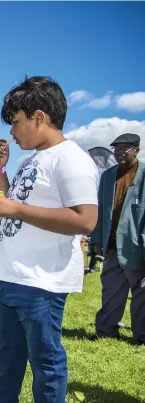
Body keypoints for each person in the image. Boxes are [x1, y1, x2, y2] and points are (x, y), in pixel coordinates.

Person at [0, 76, 98, 403]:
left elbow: (85, 219)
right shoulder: (33, 159)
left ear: (39, 116)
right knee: (8, 353)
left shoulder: (71, 159)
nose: (11, 129)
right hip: (13, 274)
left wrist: (15, 208)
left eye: (16, 119)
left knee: (45, 358)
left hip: (43, 280)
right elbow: (12, 203)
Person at [90, 133, 145, 345]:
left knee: (141, 292)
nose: (120, 152)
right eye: (116, 148)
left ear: (136, 151)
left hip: (137, 245)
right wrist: (96, 238)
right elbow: (101, 208)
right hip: (111, 245)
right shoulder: (107, 176)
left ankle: (141, 337)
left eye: (125, 148)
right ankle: (105, 331)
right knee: (111, 289)